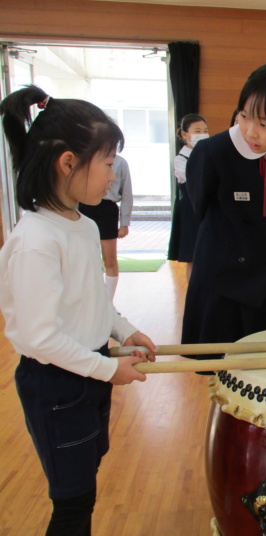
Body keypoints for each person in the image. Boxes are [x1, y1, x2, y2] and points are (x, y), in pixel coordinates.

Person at [0, 85, 156, 535]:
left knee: (86, 476)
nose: (113, 176)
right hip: (55, 383)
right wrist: (108, 370)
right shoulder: (36, 240)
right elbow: (40, 339)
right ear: (68, 163)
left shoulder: (84, 225)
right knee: (73, 503)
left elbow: (93, 299)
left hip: (86, 370)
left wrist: (124, 331)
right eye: (107, 163)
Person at [181, 63, 266, 362]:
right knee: (218, 369)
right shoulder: (211, 152)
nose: (250, 132)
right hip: (218, 275)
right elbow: (200, 208)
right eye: (244, 116)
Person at [78, 153, 133, 302]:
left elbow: (127, 192)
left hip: (107, 209)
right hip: (84, 207)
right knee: (88, 258)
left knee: (109, 259)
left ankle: (109, 303)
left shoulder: (120, 162)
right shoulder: (84, 158)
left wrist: (124, 223)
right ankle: (92, 301)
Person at [167, 113, 209, 282]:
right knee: (192, 257)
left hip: (207, 209)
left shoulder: (209, 153)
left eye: (205, 130)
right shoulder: (181, 159)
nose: (203, 134)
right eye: (197, 130)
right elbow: (194, 182)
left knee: (209, 256)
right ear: (185, 134)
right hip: (190, 211)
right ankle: (194, 296)